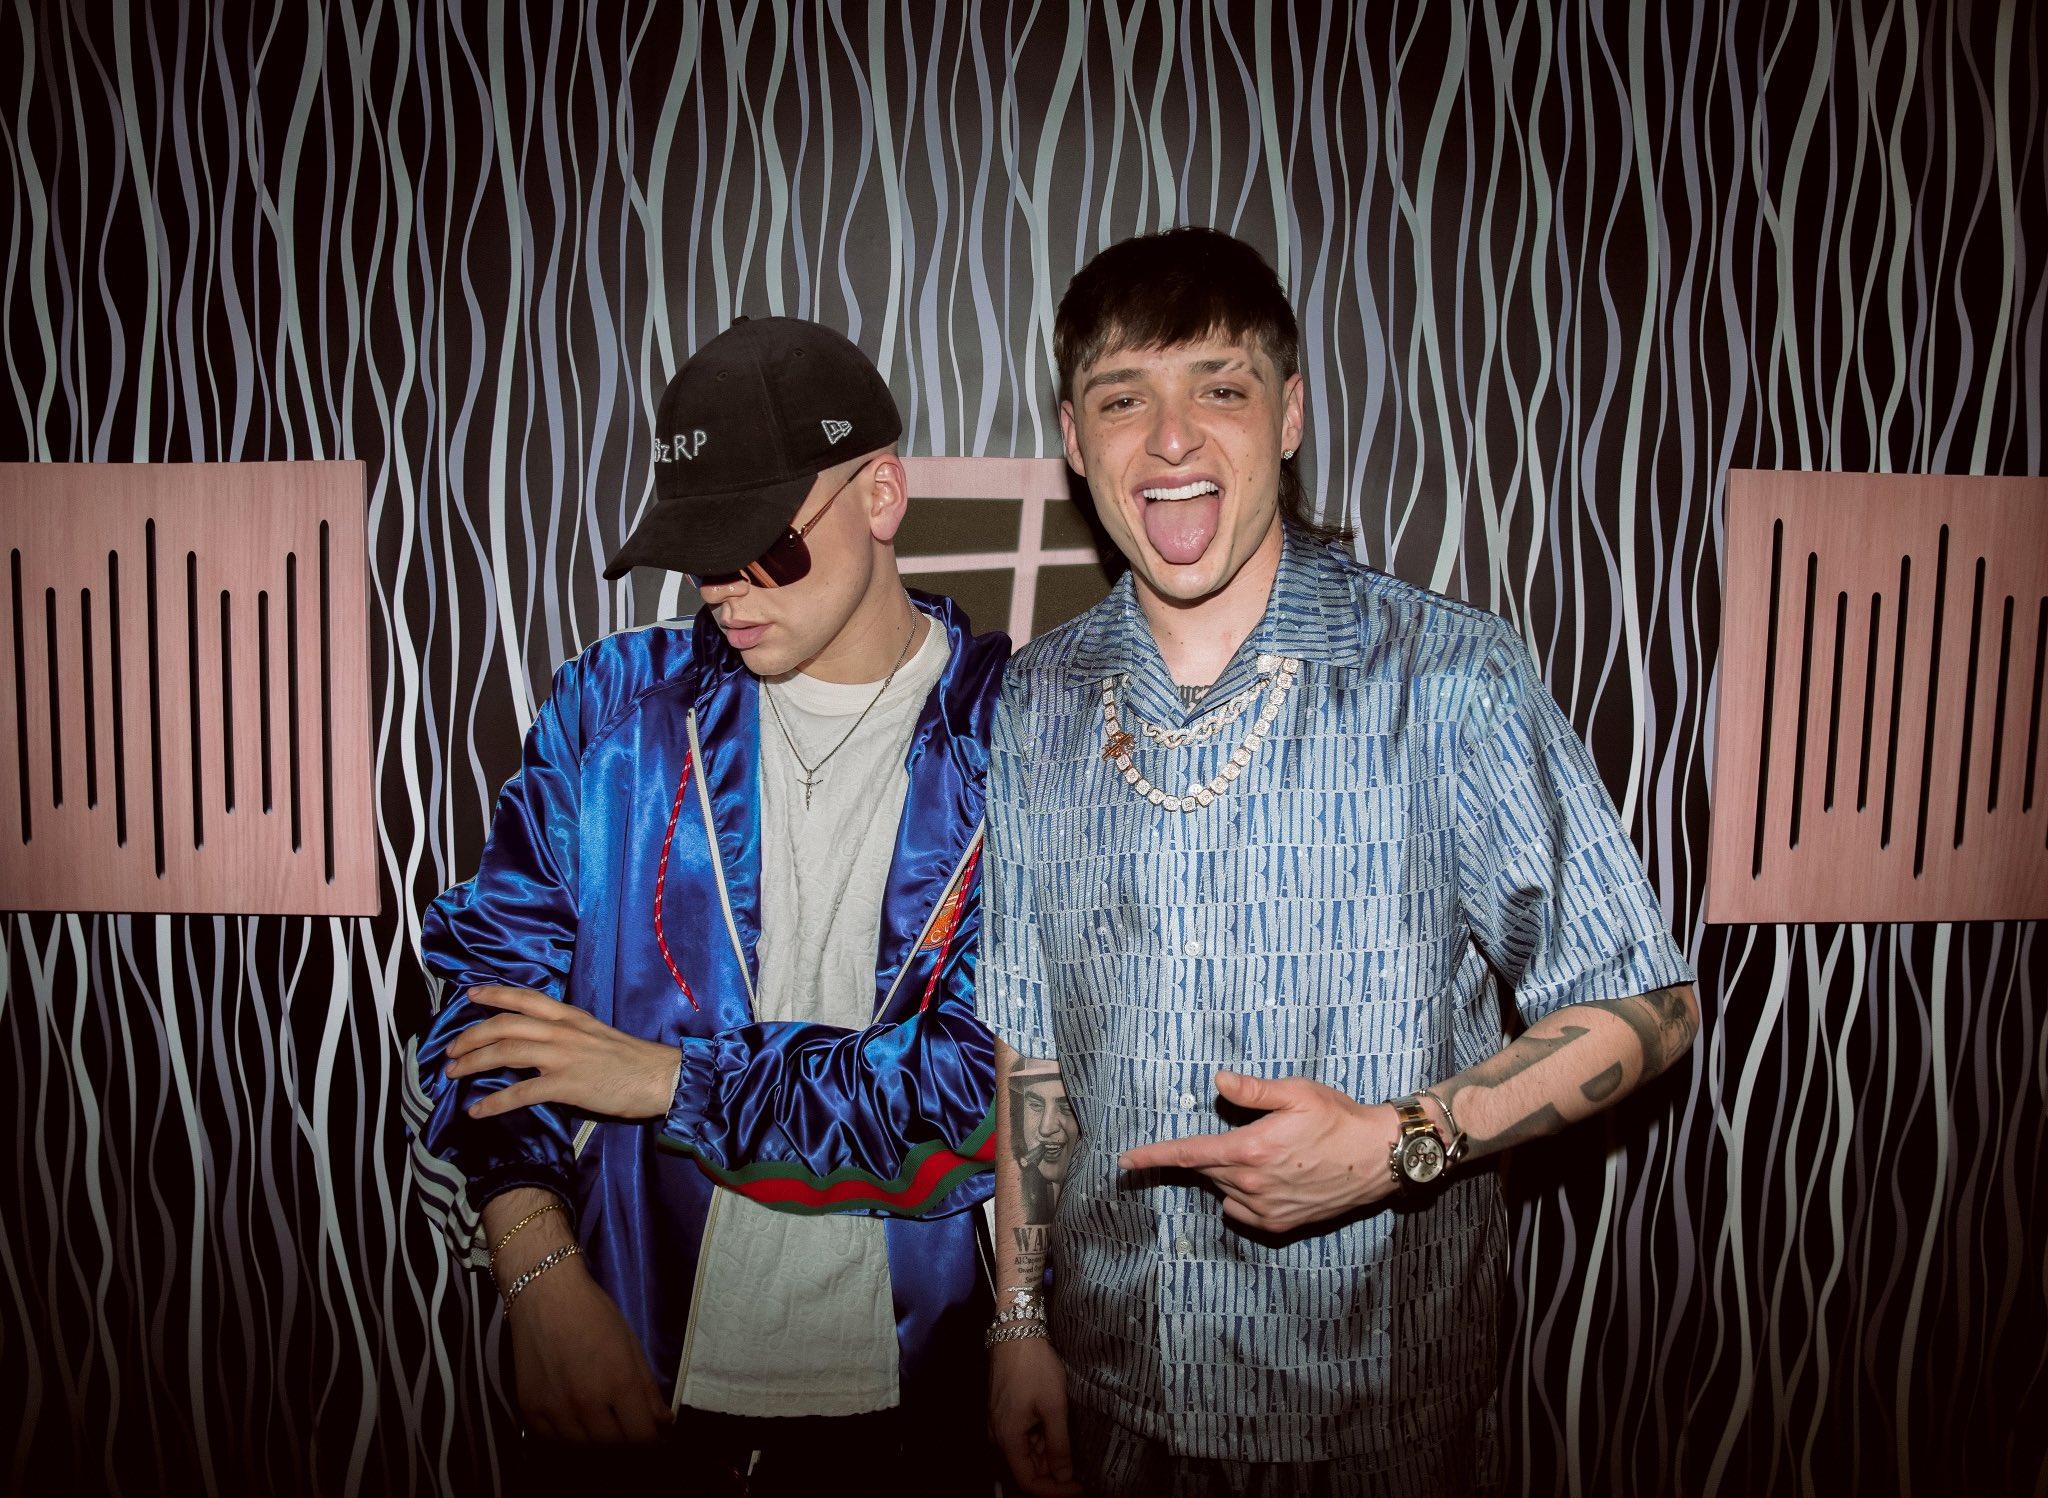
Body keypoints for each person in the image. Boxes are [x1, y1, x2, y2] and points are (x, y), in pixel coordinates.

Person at [980, 228, 1699, 1497]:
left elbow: (1648, 1005)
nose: (1170, 439)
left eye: (1218, 386)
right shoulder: (1035, 702)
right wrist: (1021, 1319)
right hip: (1112, 1394)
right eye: (1122, 399)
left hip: (1377, 1414)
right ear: (1075, 440)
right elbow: (1031, 1053)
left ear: (1290, 413)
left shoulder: (1450, 677)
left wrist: (1397, 1142)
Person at [406, 316, 1007, 1495]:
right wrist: (539, 1278)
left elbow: (974, 1086)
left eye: (763, 545)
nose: (725, 590)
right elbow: (490, 1010)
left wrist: (671, 1079)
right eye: (699, 550)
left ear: (881, 494)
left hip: (913, 1395)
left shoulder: (1013, 733)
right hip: (636, 1374)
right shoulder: (614, 709)